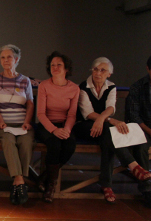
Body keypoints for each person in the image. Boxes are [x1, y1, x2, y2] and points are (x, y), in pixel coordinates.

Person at [75, 57, 151, 204]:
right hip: (84, 126)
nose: (98, 73)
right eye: (96, 69)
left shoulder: (111, 86)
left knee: (108, 140)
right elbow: (87, 113)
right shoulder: (83, 86)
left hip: (102, 128)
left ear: (109, 74)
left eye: (103, 70)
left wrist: (102, 119)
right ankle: (132, 166)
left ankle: (106, 185)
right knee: (111, 132)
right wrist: (108, 120)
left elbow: (111, 107)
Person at [0, 45, 35, 205]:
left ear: (16, 59)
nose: (6, 60)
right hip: (2, 124)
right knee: (8, 140)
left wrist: (27, 122)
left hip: (22, 123)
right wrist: (0, 121)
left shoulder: (25, 80)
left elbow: (30, 104)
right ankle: (20, 180)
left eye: (9, 57)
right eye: (3, 57)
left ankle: (17, 183)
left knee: (26, 141)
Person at [36, 51, 79, 203]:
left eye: (59, 65)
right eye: (52, 65)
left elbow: (72, 115)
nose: (55, 67)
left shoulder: (74, 88)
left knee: (69, 145)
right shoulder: (44, 86)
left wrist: (66, 130)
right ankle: (51, 186)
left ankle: (46, 176)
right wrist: (54, 130)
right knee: (54, 144)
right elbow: (40, 113)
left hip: (64, 125)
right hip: (46, 125)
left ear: (66, 68)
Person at [126, 55, 151, 208]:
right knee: (141, 147)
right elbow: (133, 114)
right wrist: (148, 130)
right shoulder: (138, 87)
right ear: (148, 69)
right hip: (144, 128)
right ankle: (147, 190)